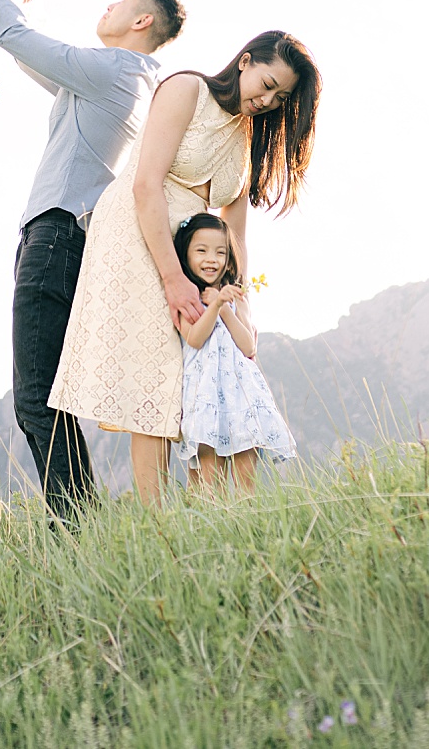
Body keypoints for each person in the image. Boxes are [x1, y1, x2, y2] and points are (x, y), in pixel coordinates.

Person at [0, 0, 186, 517]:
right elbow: (24, 51)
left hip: (58, 234)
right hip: (58, 235)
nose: (110, 4)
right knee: (45, 399)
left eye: (122, 1)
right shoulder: (114, 78)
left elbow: (16, 35)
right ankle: (82, 525)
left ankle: (80, 530)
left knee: (38, 399)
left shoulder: (118, 71)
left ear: (142, 21)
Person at [50, 31, 320, 504]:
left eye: (280, 97)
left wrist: (243, 308)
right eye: (268, 83)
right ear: (246, 61)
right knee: (154, 376)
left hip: (197, 260)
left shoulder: (247, 138)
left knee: (195, 378)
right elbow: (144, 185)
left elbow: (235, 234)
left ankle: (207, 506)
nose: (268, 99)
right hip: (139, 235)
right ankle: (157, 523)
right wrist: (174, 279)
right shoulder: (187, 91)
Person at [172, 212, 296, 492]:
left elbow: (248, 346)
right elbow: (194, 338)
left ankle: (246, 526)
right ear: (186, 254)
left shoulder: (237, 295)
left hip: (241, 395)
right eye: (201, 251)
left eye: (220, 252)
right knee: (209, 476)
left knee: (245, 475)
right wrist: (212, 307)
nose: (211, 259)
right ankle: (209, 528)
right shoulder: (185, 298)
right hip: (205, 397)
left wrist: (225, 306)